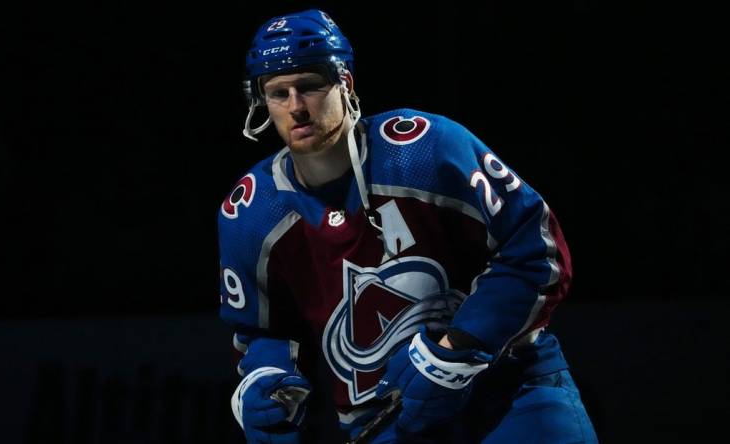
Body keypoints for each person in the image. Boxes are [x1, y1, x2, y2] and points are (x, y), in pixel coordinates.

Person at [218, 9, 598, 444]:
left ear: (346, 83)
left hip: (510, 389)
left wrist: (457, 348)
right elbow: (263, 329)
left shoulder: (426, 147)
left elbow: (537, 247)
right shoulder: (248, 211)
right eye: (278, 93)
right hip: (387, 421)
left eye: (310, 86)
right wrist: (267, 381)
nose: (296, 108)